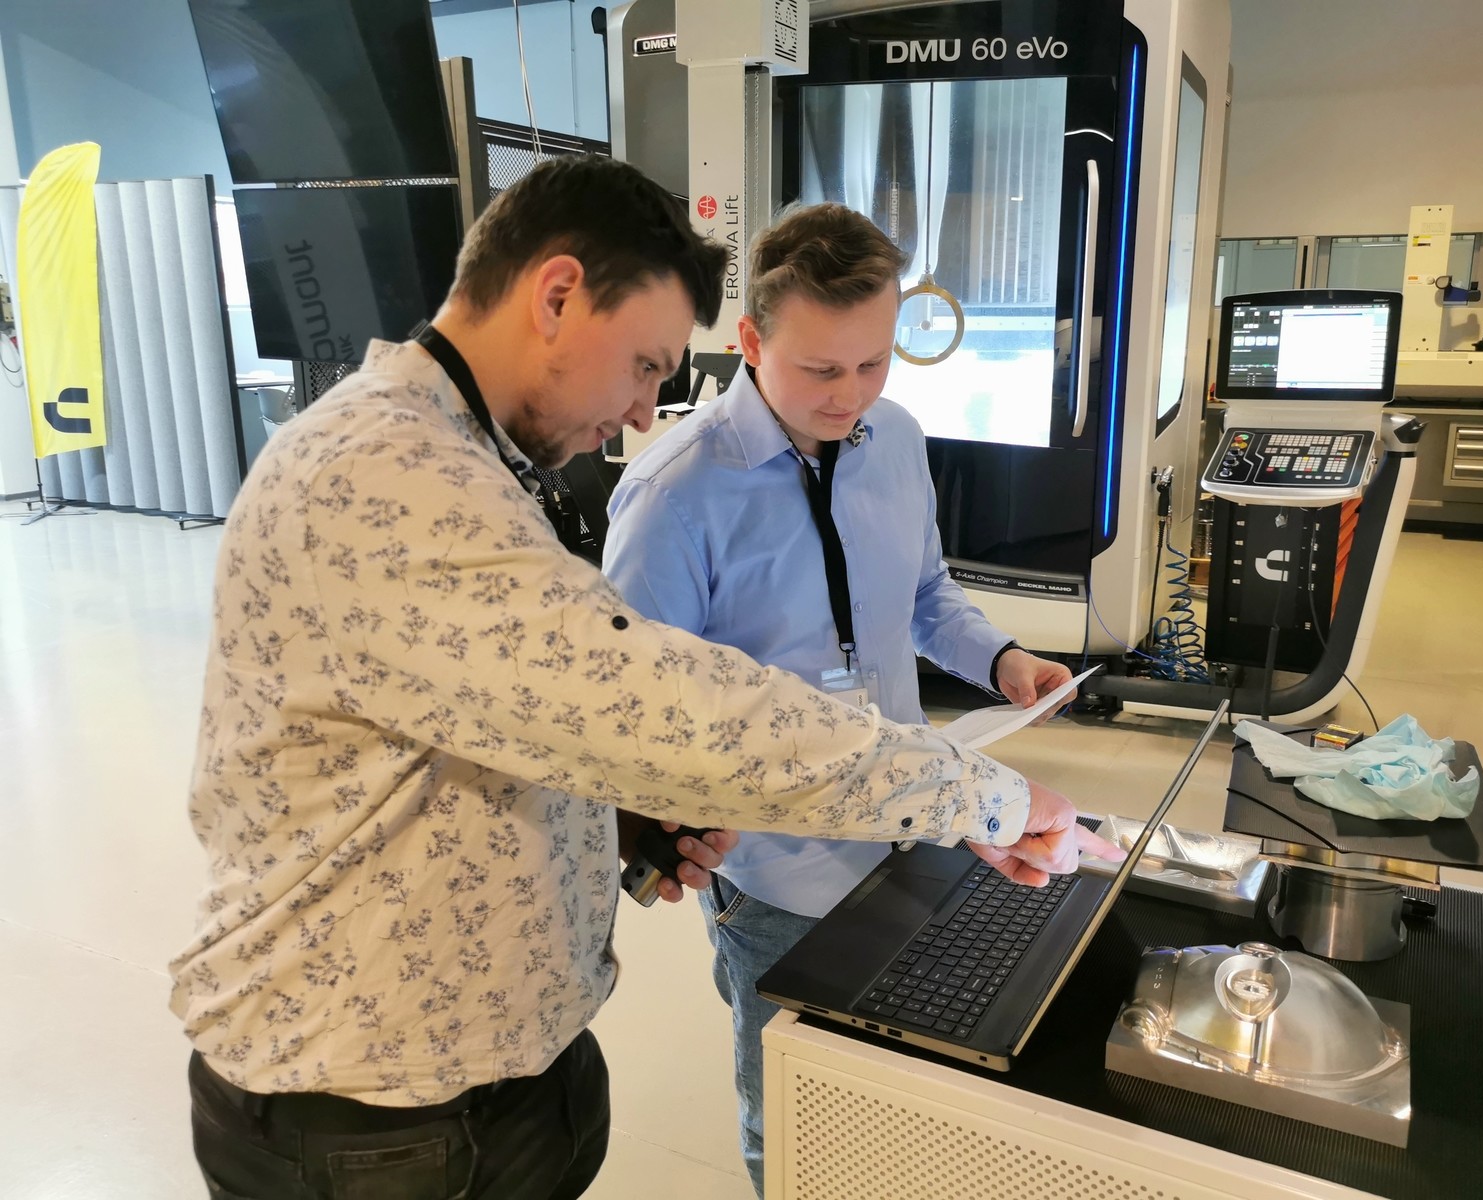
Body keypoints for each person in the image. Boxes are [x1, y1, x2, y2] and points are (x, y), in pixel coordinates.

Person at [170, 158, 1115, 1200]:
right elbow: (678, 714)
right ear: (557, 296)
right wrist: (983, 798)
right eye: (644, 365)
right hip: (378, 1101)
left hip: (486, 1070)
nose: (638, 413)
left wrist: (613, 816)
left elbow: (523, 716)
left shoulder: (465, 457)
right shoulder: (388, 476)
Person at [602, 202, 1088, 1197]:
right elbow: (637, 718)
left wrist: (1000, 660)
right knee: (793, 1118)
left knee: (900, 1086)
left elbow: (923, 595)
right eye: (822, 368)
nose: (851, 394)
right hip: (777, 870)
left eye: (874, 362)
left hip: (912, 826)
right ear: (750, 341)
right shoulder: (673, 497)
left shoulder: (893, 437)